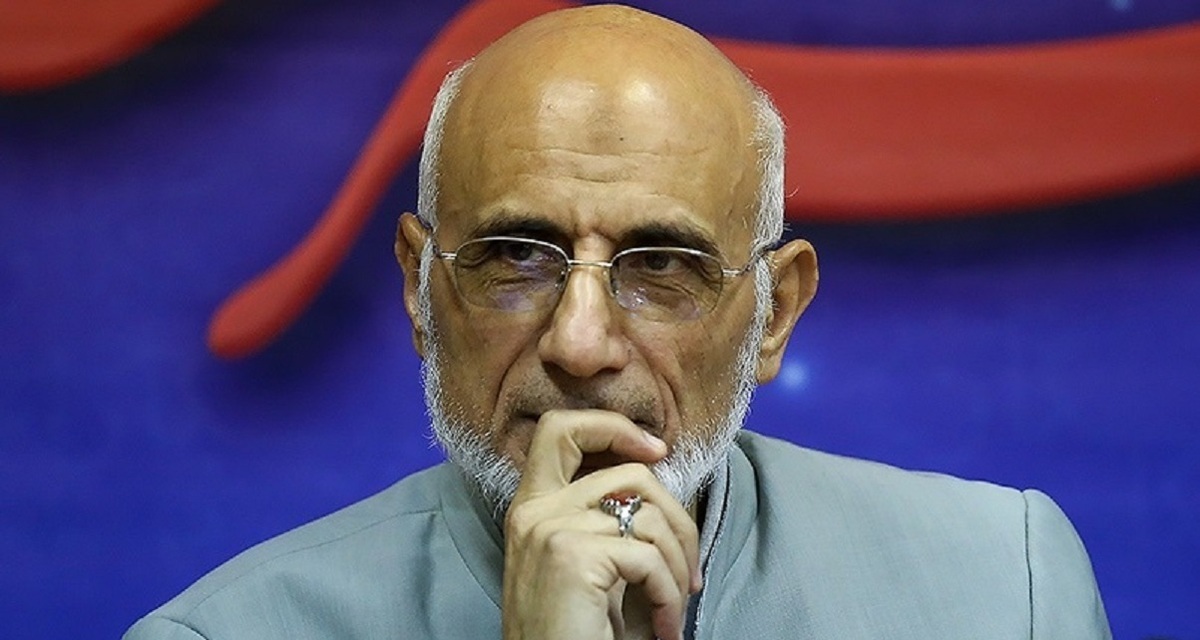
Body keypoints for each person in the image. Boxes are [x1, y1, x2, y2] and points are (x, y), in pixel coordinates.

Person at [125, 5, 1111, 639]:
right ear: (421, 289)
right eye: (517, 257)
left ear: (774, 314)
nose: (580, 343)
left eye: (662, 266)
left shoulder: (1002, 589)